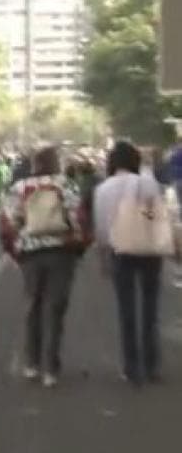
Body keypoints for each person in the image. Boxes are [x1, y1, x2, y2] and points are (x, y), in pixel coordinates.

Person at [0, 147, 91, 388]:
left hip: (31, 252)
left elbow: (10, 221)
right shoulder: (66, 185)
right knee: (55, 307)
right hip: (61, 250)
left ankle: (32, 363)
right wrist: (79, 245)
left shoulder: (20, 188)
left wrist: (17, 247)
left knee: (33, 305)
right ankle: (51, 367)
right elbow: (78, 217)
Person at [94, 141, 165, 386]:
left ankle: (131, 367)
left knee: (126, 310)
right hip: (149, 248)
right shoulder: (148, 183)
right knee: (150, 309)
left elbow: (102, 229)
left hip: (120, 250)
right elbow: (157, 214)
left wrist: (103, 258)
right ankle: (151, 365)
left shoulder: (103, 189)